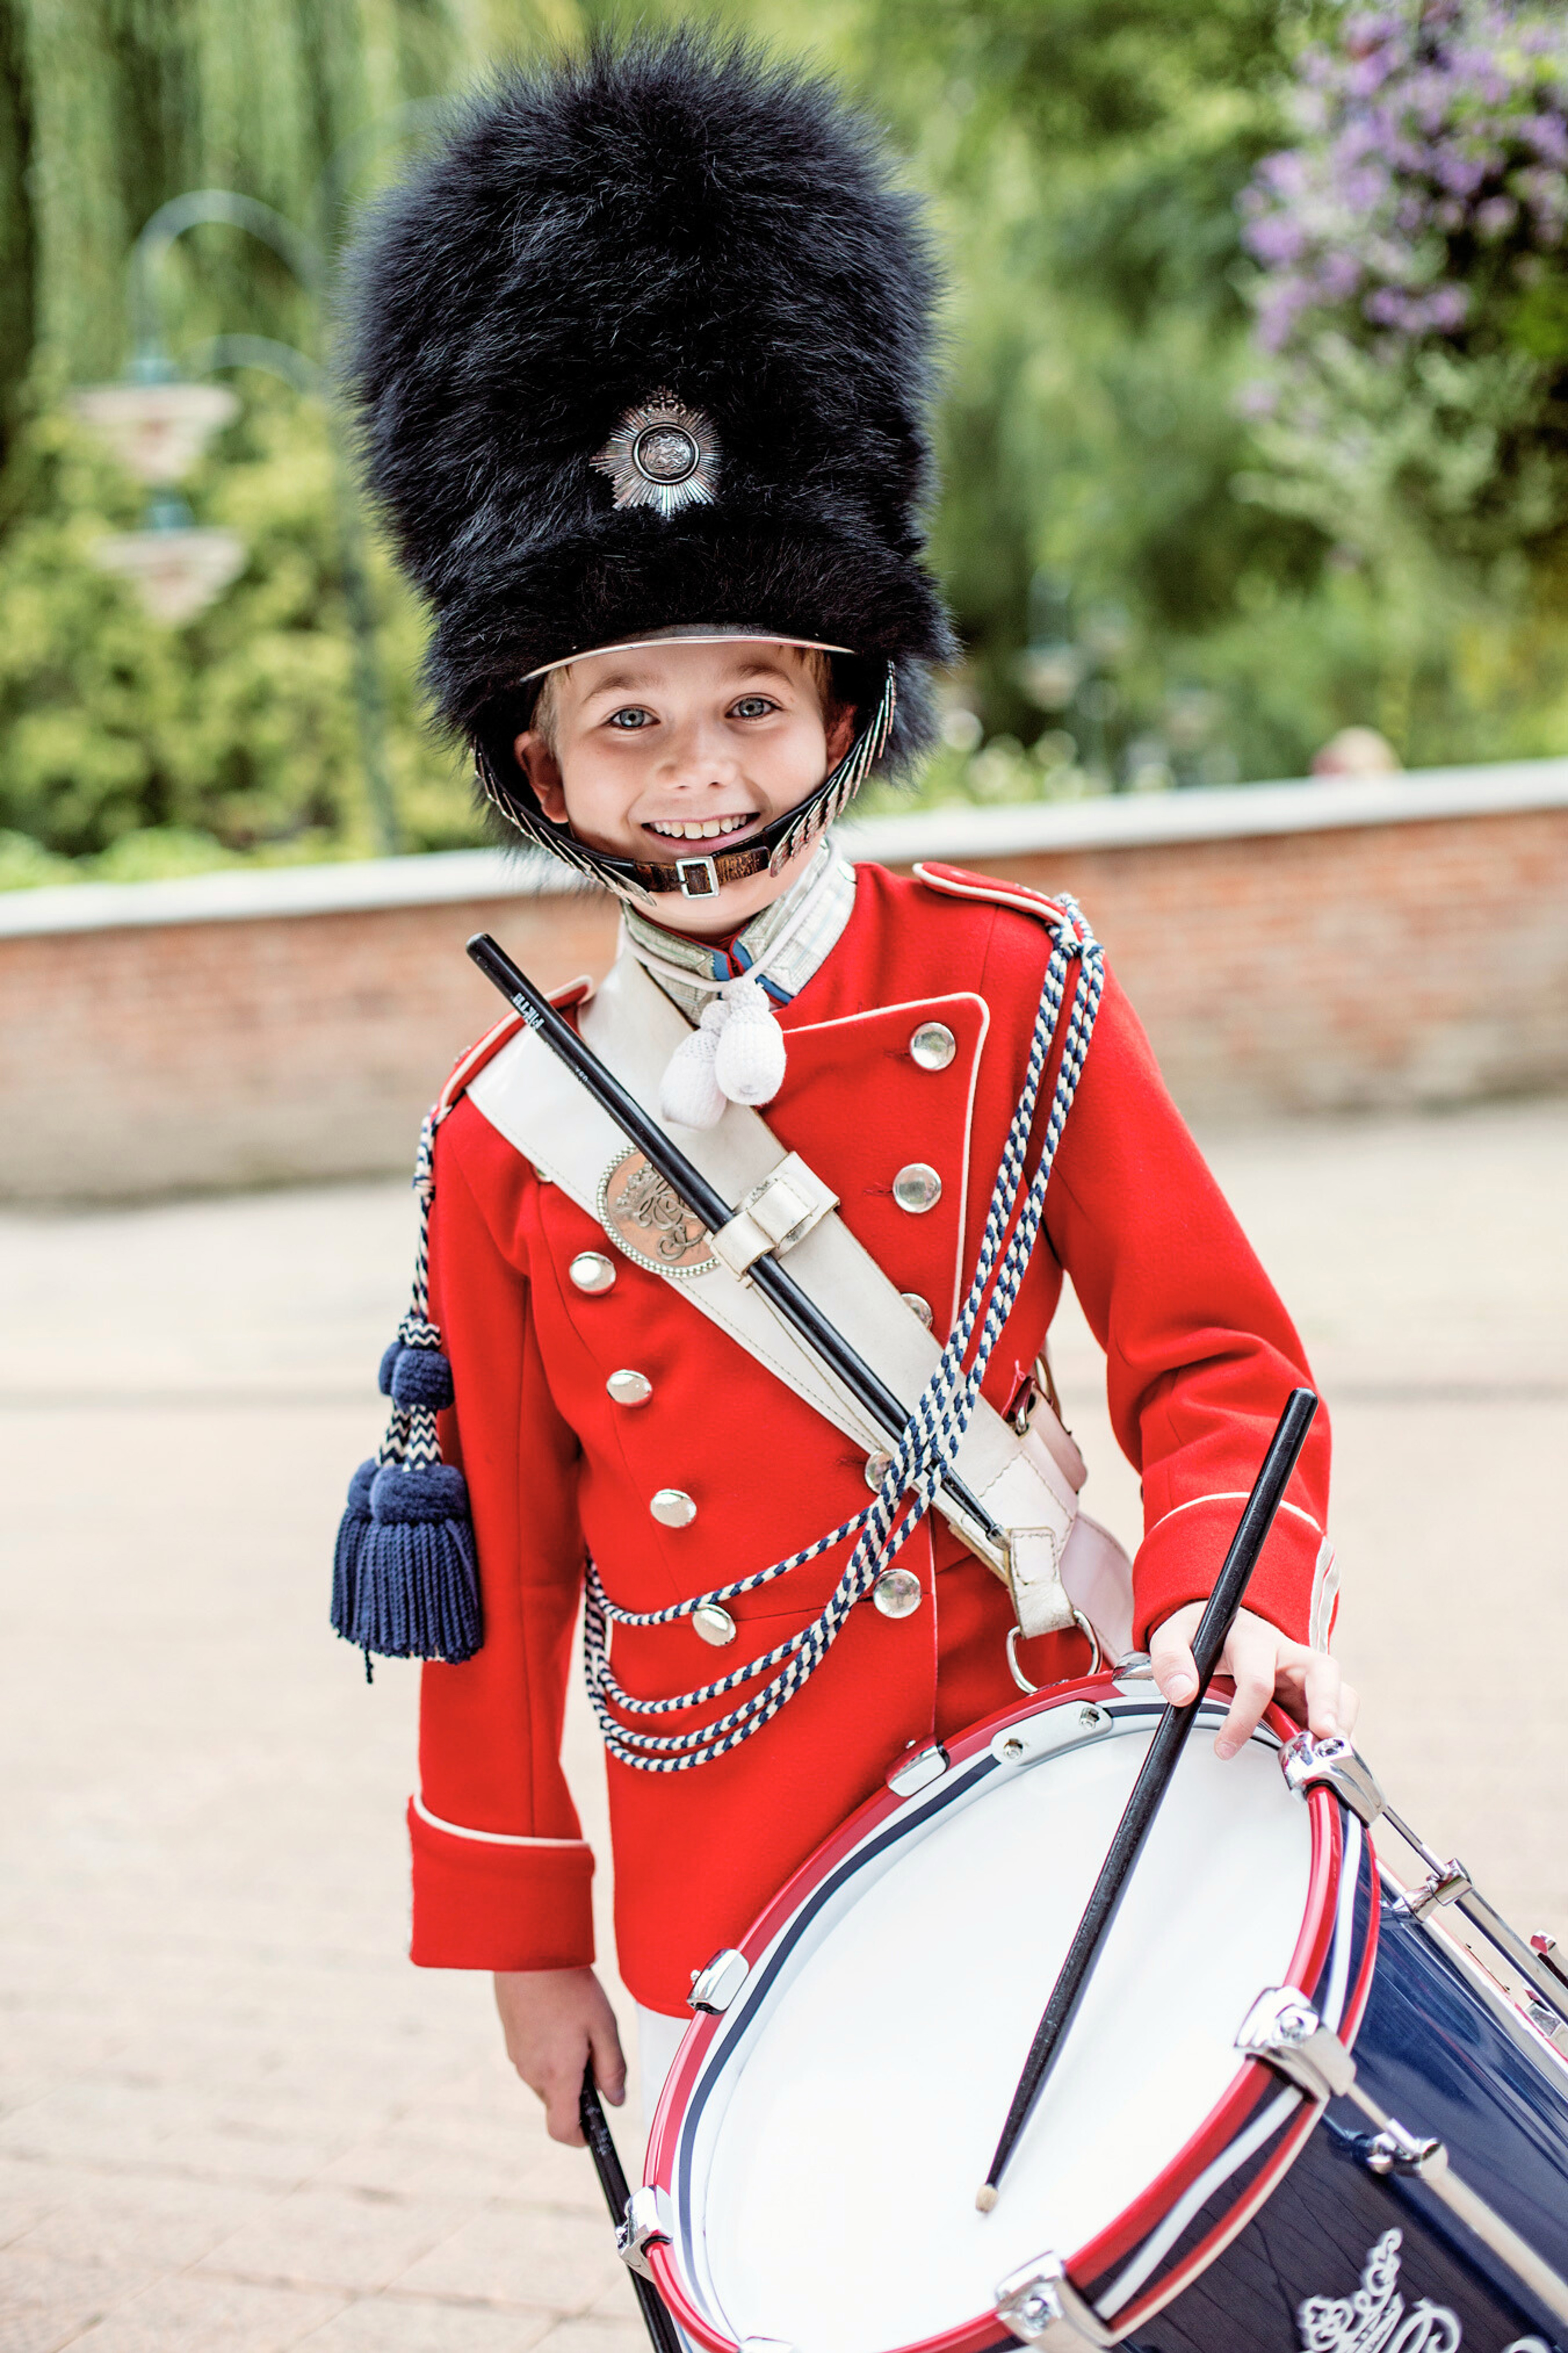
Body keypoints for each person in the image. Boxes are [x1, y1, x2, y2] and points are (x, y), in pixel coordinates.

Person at [332, 33, 1354, 2153]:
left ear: (845, 706)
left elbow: (1218, 1357)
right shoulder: (502, 1130)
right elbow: (507, 1582)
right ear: (542, 766)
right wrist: (532, 1928)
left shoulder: (1018, 984)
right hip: (730, 1858)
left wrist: (1229, 1586)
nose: (696, 768)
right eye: (626, 716)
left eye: (750, 701)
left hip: (1054, 1754)